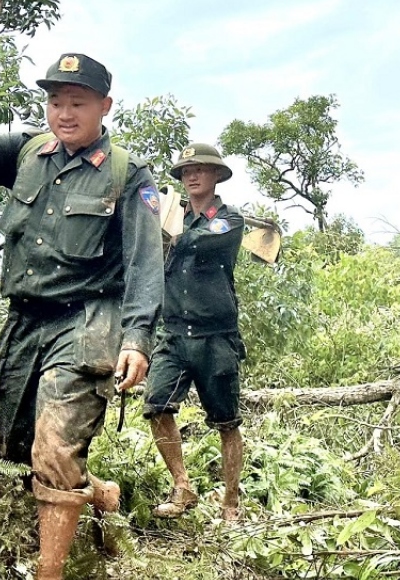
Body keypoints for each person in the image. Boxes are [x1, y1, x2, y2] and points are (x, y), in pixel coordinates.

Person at [0, 47, 164, 580]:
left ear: (104, 106)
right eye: (56, 101)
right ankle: (96, 492)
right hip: (24, 320)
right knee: (17, 449)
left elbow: (145, 263)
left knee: (55, 445)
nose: (64, 112)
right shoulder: (27, 151)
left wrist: (136, 340)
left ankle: (49, 571)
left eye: (77, 102)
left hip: (86, 320)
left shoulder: (128, 175)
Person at [143, 142, 249, 523]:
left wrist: (166, 228)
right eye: (186, 170)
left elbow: (198, 240)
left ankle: (231, 502)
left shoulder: (229, 220)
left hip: (216, 337)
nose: (191, 175)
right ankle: (182, 485)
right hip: (173, 334)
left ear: (216, 174)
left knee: (227, 422)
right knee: (156, 404)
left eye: (199, 169)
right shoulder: (171, 216)